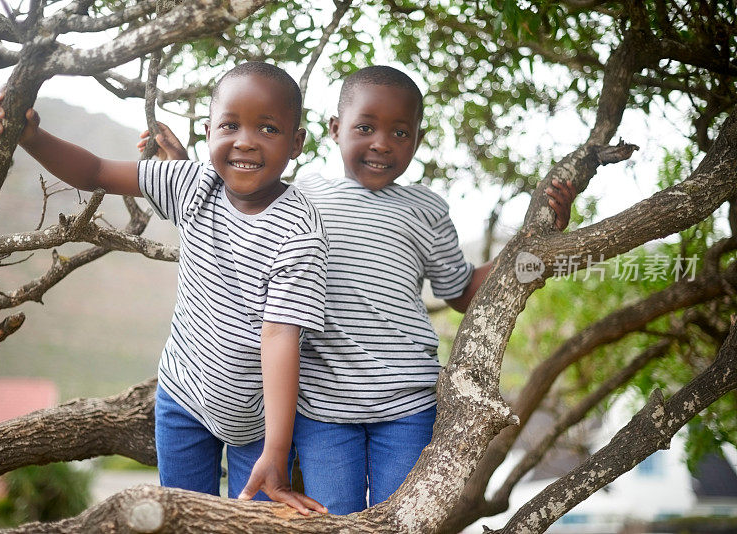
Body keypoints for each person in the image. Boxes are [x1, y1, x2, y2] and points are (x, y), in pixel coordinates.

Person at [141, 66, 576, 514]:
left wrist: (534, 240)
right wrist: (181, 166)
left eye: (400, 132)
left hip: (406, 403)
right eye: (364, 127)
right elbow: (238, 197)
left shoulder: (426, 210)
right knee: (334, 518)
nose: (381, 143)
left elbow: (463, 291)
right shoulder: (301, 194)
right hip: (321, 408)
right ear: (334, 129)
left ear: (417, 140)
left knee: (400, 516)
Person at [0, 62, 329, 515]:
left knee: (252, 522)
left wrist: (277, 449)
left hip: (257, 421)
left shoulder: (300, 230)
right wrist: (30, 138)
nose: (245, 140)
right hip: (183, 398)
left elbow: (281, 335)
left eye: (268, 128)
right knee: (182, 518)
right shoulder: (193, 183)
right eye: (230, 125)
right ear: (208, 132)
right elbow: (96, 171)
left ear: (297, 142)